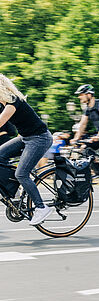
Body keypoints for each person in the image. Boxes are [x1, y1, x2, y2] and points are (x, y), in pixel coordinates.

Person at [0, 75, 54, 225]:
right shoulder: (3, 103)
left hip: (39, 138)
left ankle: (41, 207)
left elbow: (1, 121)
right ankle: (14, 190)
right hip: (25, 137)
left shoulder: (12, 101)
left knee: (21, 173)